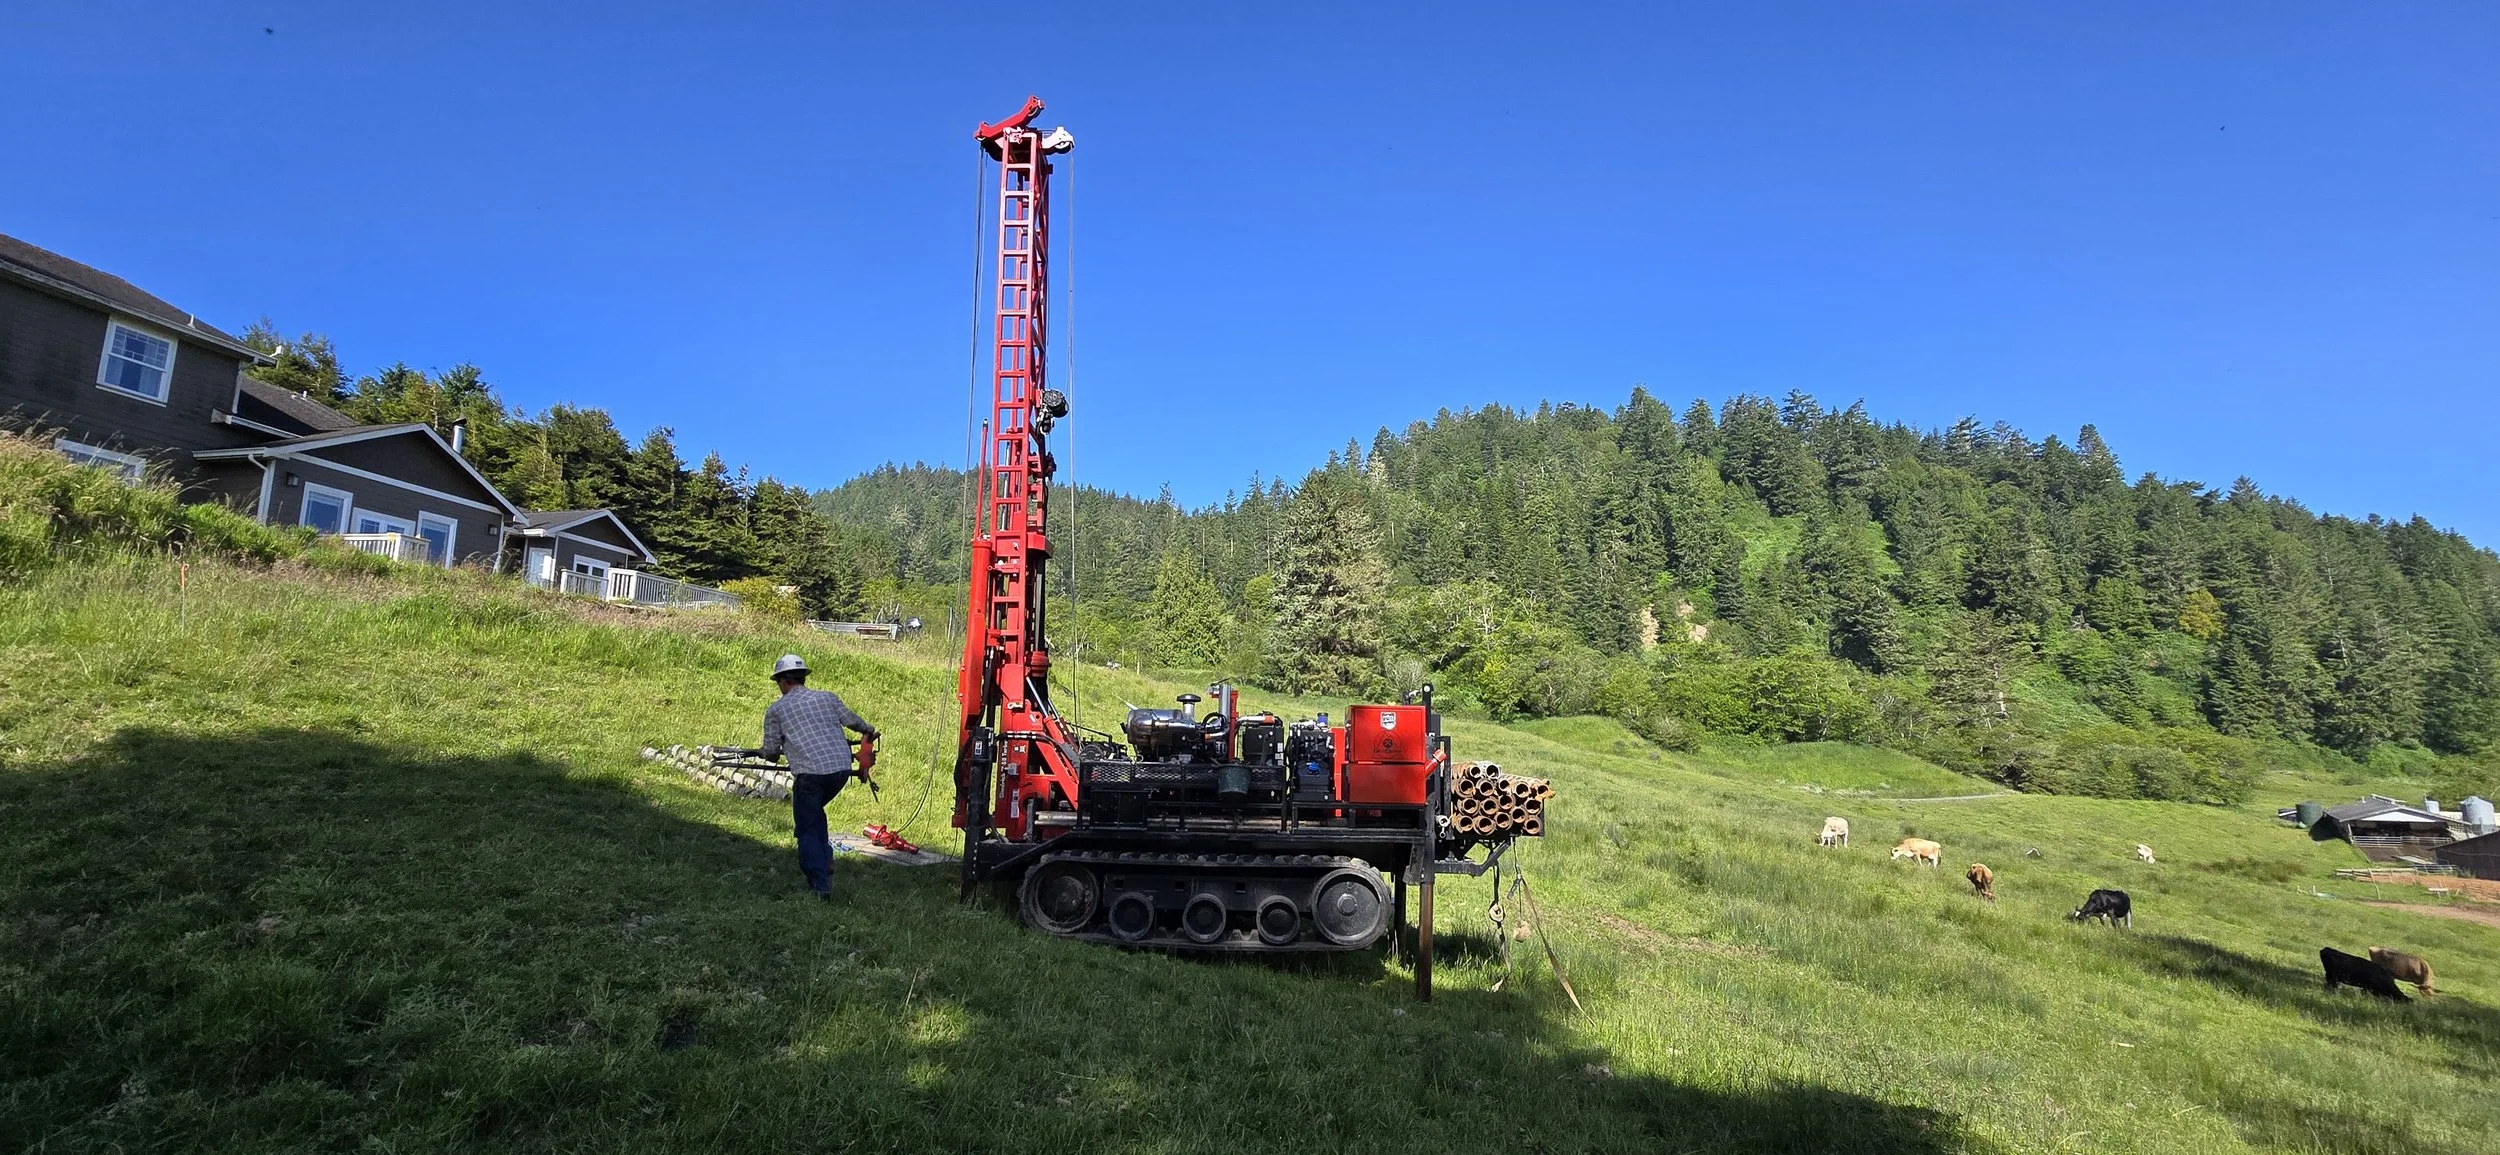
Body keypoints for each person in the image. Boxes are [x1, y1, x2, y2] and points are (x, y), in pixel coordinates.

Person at [753, 653, 879, 899]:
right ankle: (826, 859)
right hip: (840, 770)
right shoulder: (827, 698)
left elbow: (770, 752)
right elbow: (854, 722)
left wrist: (767, 753)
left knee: (807, 828)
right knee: (815, 813)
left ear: (783, 681)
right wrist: (868, 731)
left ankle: (819, 885)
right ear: (802, 678)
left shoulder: (776, 710)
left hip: (811, 775)